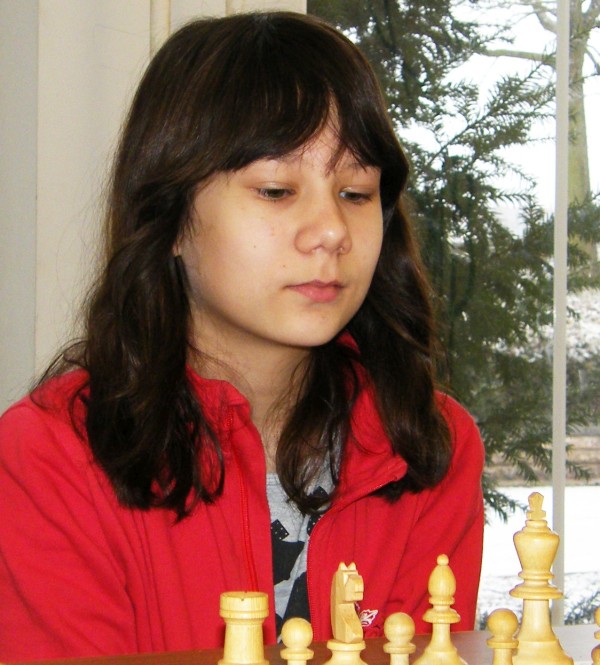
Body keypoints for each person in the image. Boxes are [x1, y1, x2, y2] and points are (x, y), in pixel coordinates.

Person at [0, 11, 484, 662]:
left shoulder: (426, 445)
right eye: (277, 190)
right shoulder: (49, 458)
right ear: (170, 218)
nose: (331, 231)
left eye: (356, 192)